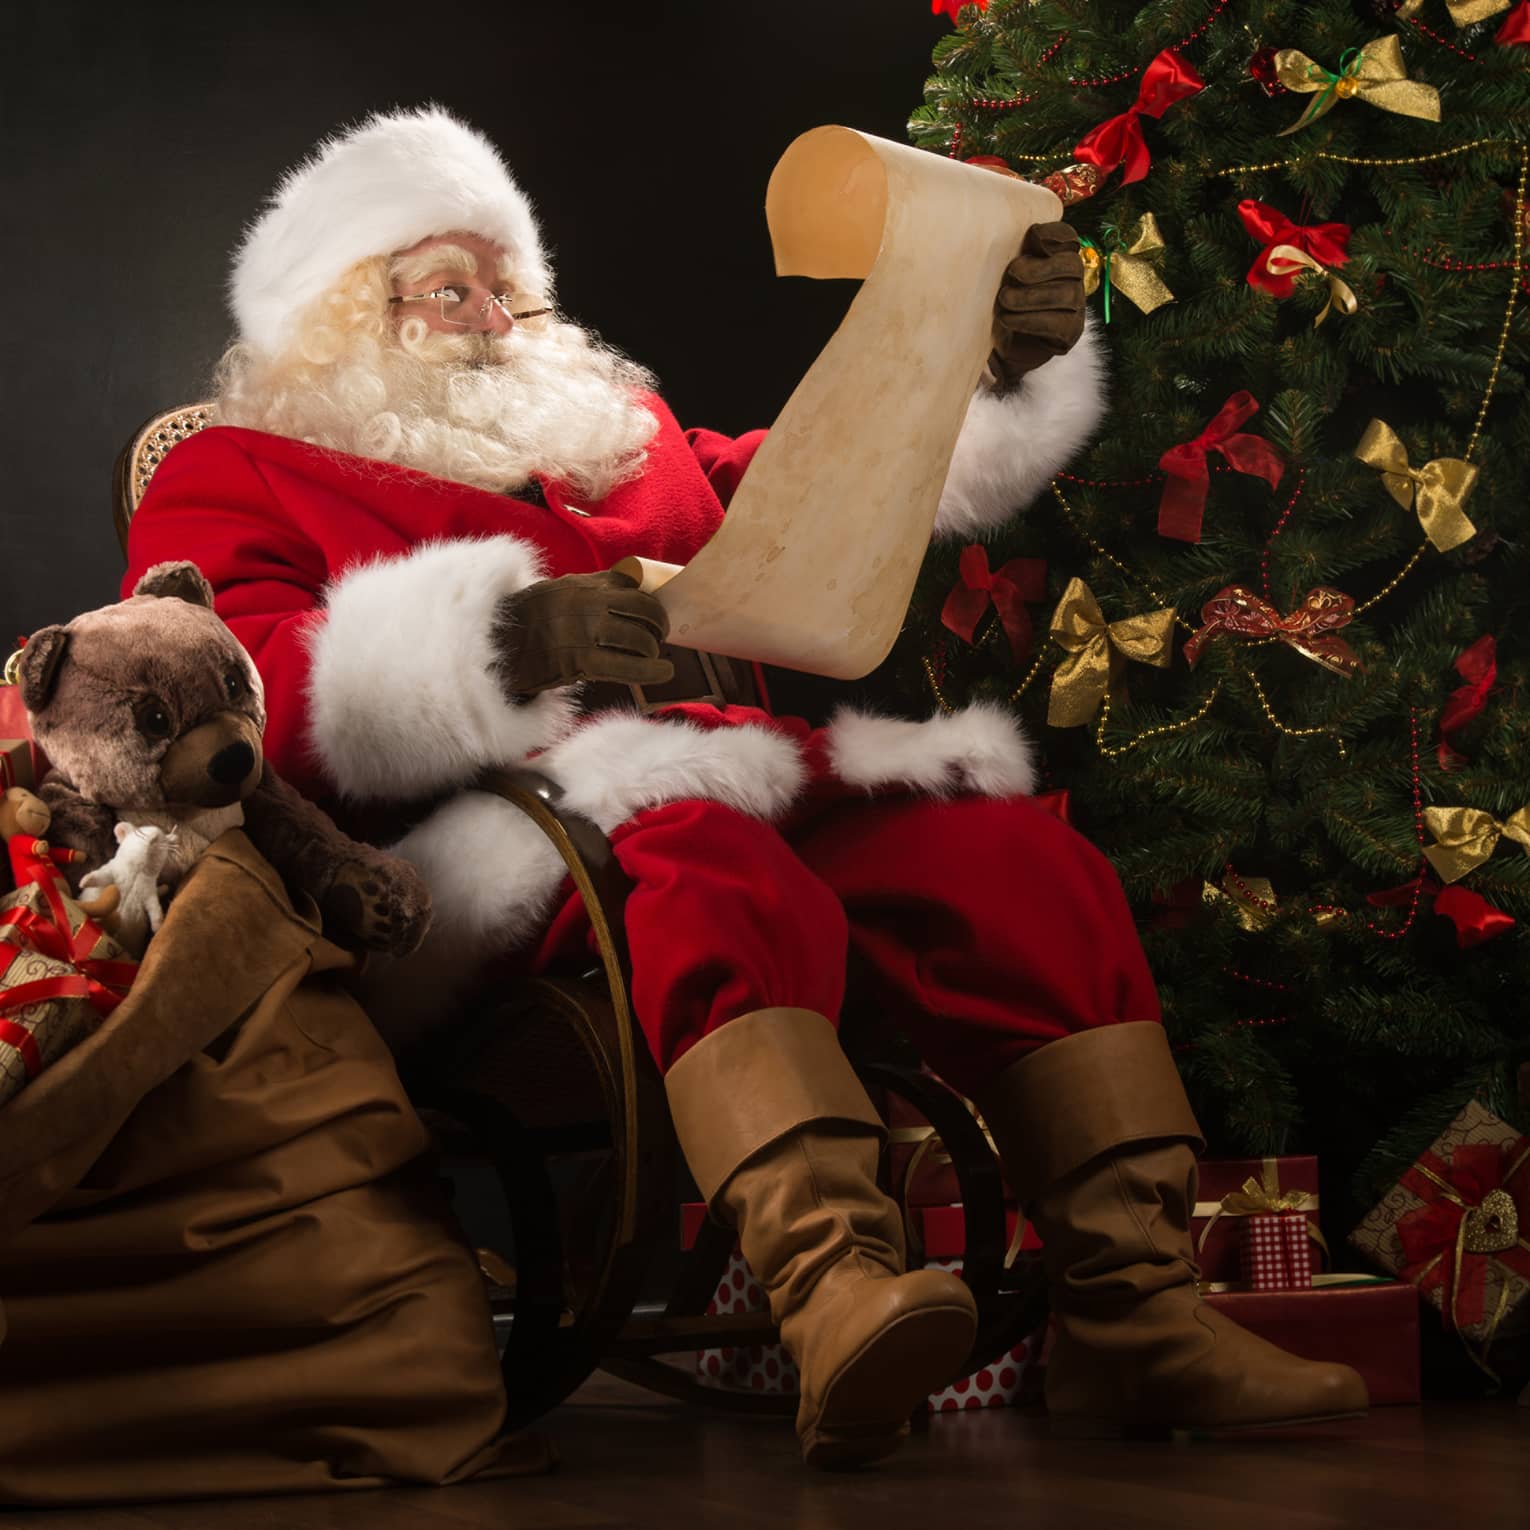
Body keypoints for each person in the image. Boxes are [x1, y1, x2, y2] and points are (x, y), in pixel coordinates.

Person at [122, 107, 1367, 1466]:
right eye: (444, 290)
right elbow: (217, 689)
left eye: (508, 289)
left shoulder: (624, 441)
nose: (492, 317)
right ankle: (832, 1284)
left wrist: (979, 364)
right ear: (340, 320)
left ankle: (1133, 1311)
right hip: (480, 858)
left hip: (741, 792)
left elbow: (816, 492)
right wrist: (498, 641)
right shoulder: (235, 468)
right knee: (698, 843)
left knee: (998, 848)